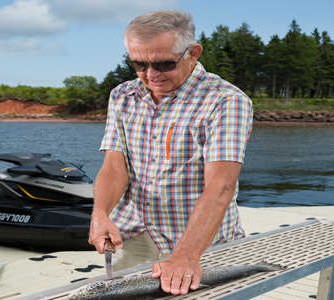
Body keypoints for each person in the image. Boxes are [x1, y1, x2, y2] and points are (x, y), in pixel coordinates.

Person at [88, 10, 253, 296]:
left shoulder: (226, 101)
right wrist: (100, 213)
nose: (150, 75)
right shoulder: (121, 96)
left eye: (164, 64)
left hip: (200, 244)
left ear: (193, 52)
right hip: (135, 235)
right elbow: (115, 168)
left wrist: (186, 256)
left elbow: (220, 187)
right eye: (139, 64)